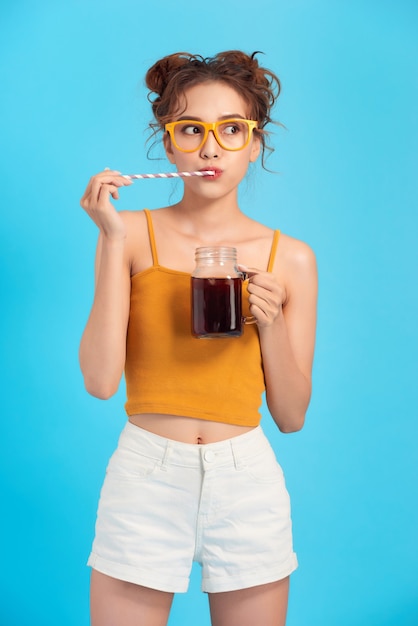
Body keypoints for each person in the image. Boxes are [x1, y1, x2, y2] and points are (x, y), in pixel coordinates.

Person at [79, 50, 317, 626]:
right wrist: (111, 241)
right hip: (146, 473)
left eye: (231, 130)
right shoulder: (130, 234)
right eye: (192, 130)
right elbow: (100, 380)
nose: (211, 149)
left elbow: (290, 416)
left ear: (254, 144)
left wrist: (274, 323)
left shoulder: (293, 259)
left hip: (246, 480)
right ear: (168, 144)